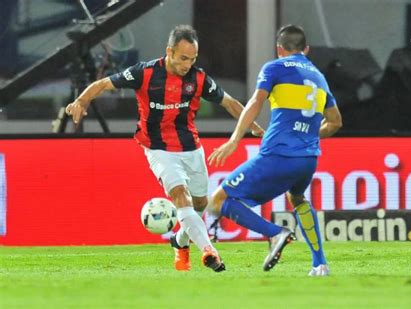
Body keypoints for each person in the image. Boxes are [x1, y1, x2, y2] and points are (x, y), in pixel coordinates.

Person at [65, 25, 264, 272]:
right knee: (181, 196)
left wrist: (252, 126)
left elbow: (229, 103)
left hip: (191, 147)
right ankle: (209, 251)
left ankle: (179, 241)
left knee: (200, 205)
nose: (187, 65)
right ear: (169, 51)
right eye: (183, 58)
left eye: (192, 59)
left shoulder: (198, 78)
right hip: (158, 148)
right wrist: (81, 101)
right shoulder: (145, 73)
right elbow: (104, 83)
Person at [207, 25, 342, 276]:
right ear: (307, 49)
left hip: (280, 154)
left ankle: (275, 233)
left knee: (218, 201)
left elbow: (256, 101)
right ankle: (320, 264)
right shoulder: (319, 77)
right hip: (308, 159)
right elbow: (335, 122)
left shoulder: (275, 67)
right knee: (298, 199)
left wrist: (235, 139)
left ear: (279, 49)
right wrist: (307, 136)